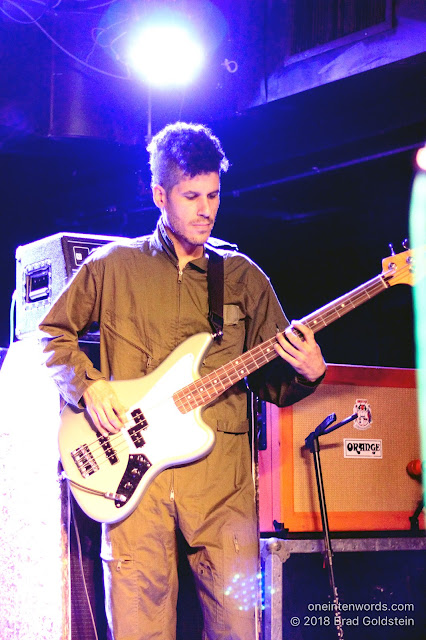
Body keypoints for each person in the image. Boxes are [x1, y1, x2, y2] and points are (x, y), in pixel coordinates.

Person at [39, 122, 326, 640]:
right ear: (159, 195)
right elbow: (52, 335)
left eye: (213, 195)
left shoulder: (243, 276)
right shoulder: (114, 266)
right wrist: (89, 385)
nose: (206, 209)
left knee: (238, 628)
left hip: (221, 488)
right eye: (191, 196)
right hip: (131, 479)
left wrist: (308, 373)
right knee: (138, 629)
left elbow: (273, 383)